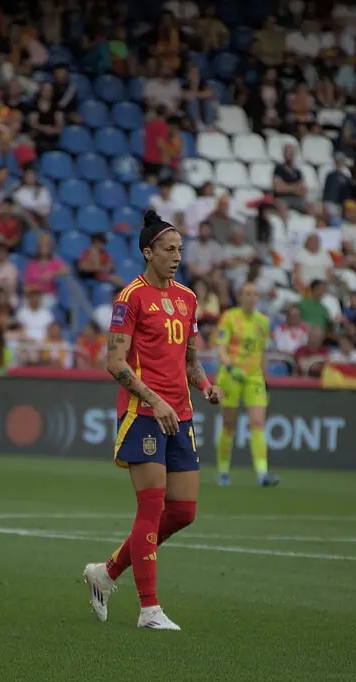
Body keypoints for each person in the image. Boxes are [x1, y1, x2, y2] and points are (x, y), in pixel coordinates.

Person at [82, 211, 222, 631]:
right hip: (143, 413)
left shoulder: (187, 298)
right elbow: (114, 361)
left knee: (183, 511)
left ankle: (105, 573)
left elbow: (190, 358)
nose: (177, 256)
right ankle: (149, 609)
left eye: (180, 249)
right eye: (169, 249)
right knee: (152, 505)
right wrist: (153, 400)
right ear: (148, 252)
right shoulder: (130, 297)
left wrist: (206, 385)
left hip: (180, 413)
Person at [214, 281, 279, 487]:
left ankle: (262, 473)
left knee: (258, 423)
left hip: (254, 377)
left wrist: (265, 376)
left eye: (255, 294)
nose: (252, 298)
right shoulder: (229, 318)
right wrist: (230, 367)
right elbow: (221, 348)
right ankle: (223, 470)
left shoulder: (263, 322)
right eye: (248, 294)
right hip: (231, 375)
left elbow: (263, 351)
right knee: (228, 425)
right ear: (240, 297)